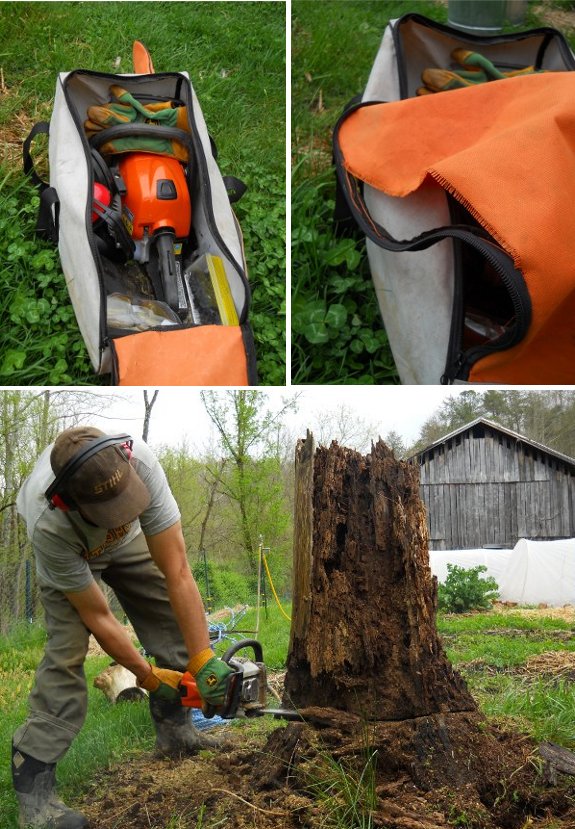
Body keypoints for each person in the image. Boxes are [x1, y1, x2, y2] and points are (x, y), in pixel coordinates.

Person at [12, 426, 233, 829]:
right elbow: (98, 617)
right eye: (109, 507)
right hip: (71, 550)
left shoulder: (142, 462)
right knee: (66, 652)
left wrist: (203, 659)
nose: (122, 508)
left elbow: (178, 570)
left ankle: (176, 734)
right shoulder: (48, 521)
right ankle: (35, 784)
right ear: (66, 502)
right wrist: (148, 677)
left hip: (129, 541)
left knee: (169, 613)